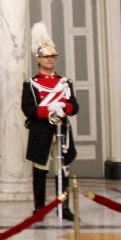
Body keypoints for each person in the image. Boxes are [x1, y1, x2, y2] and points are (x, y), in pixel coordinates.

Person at [21, 23, 79, 221]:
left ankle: (64, 207)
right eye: (47, 57)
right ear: (38, 59)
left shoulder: (65, 82)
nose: (51, 60)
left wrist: (64, 109)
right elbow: (28, 108)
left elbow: (74, 106)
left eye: (53, 56)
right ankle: (39, 209)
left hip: (62, 130)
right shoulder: (31, 84)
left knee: (63, 170)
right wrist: (48, 112)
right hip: (41, 131)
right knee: (39, 172)